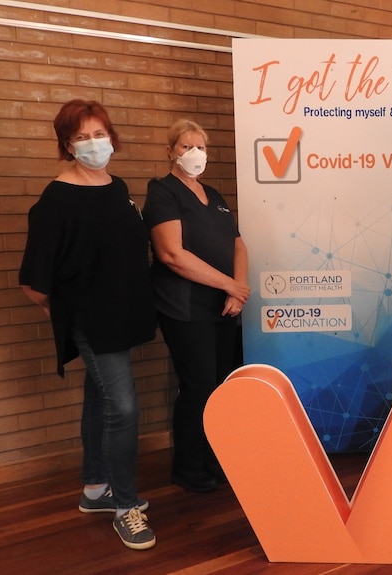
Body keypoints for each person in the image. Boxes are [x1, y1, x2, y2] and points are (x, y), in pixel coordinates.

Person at [19, 99, 157, 550]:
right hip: (92, 321)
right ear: (67, 145)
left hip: (122, 314)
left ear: (111, 138)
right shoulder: (56, 200)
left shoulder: (116, 187)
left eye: (99, 134)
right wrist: (65, 309)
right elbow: (34, 283)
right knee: (124, 408)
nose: (93, 143)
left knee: (100, 397)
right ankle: (126, 506)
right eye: (82, 137)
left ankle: (96, 489)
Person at [143, 119, 250, 493]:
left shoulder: (215, 196)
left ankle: (215, 459)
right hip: (185, 309)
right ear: (171, 151)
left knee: (221, 388)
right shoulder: (162, 192)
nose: (195, 154)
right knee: (199, 387)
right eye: (186, 146)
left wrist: (237, 292)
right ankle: (189, 467)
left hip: (222, 308)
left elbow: (238, 244)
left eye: (201, 147)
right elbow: (171, 254)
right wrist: (230, 285)